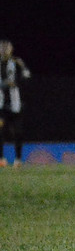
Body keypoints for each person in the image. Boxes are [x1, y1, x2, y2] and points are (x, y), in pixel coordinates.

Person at [0, 40, 31, 168]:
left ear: (11, 49)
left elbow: (27, 76)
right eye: (2, 47)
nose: (4, 50)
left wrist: (18, 79)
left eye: (6, 47)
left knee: (18, 132)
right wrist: (4, 84)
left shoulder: (16, 62)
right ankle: (1, 159)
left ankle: (18, 159)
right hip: (1, 104)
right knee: (1, 130)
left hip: (15, 104)